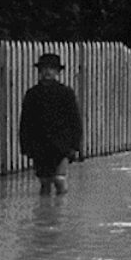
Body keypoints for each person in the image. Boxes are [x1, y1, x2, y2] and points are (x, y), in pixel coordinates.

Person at [18, 52, 83, 196]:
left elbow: (75, 121)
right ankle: (45, 215)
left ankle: (61, 213)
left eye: (52, 68)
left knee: (59, 179)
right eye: (45, 68)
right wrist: (25, 146)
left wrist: (75, 146)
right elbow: (25, 122)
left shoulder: (66, 93)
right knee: (45, 183)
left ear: (58, 72)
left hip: (62, 145)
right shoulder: (32, 94)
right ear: (40, 71)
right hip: (40, 146)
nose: (48, 72)